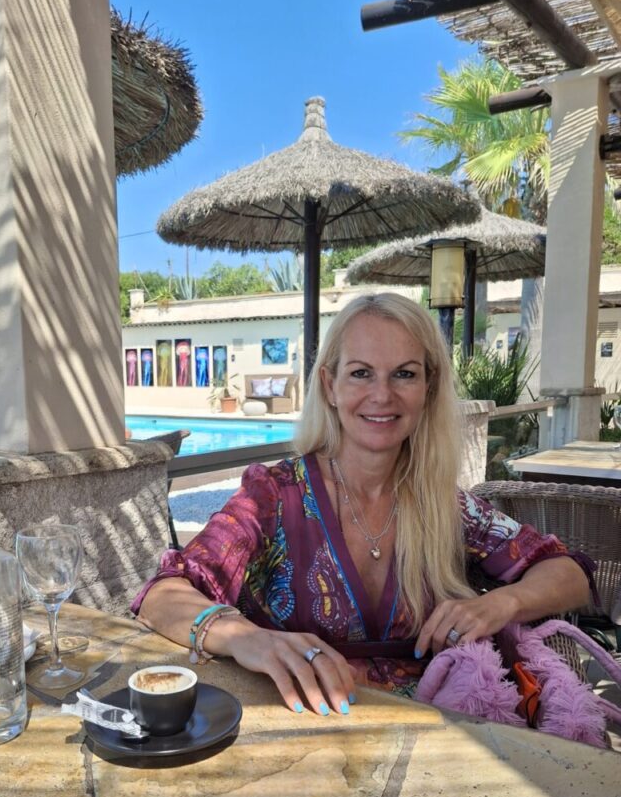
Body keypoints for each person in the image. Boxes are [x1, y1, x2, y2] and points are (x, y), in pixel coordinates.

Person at [133, 293, 591, 716]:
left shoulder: (443, 505)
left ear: (428, 388)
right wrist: (244, 638)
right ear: (330, 386)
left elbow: (568, 573)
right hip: (305, 726)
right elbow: (162, 595)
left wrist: (503, 604)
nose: (382, 395)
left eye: (405, 374)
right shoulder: (274, 497)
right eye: (361, 373)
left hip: (433, 733)